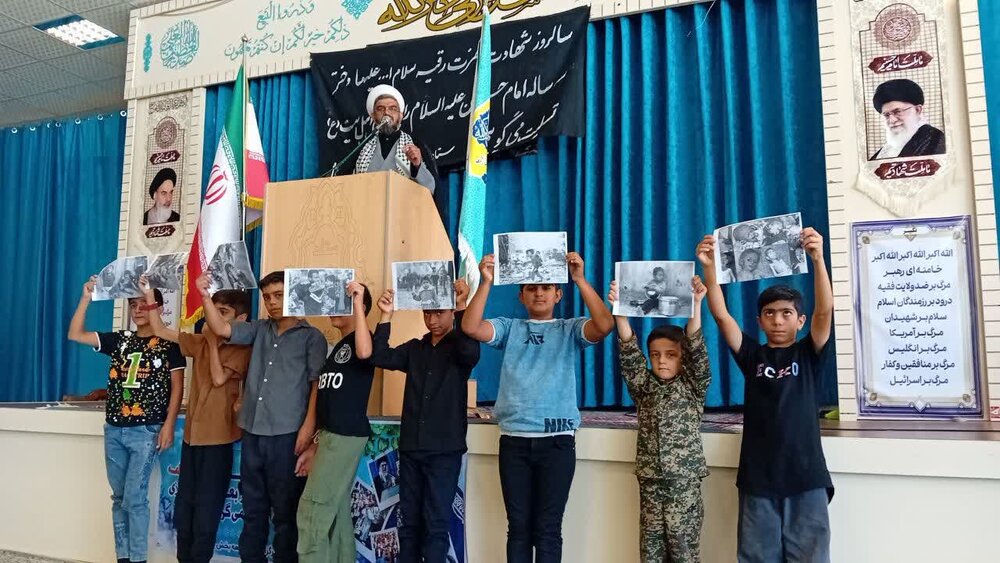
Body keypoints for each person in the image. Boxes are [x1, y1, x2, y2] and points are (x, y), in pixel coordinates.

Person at [462, 252, 614, 563]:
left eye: (546, 287)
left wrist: (580, 279)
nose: (539, 293)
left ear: (558, 294)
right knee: (518, 529)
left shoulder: (569, 329)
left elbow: (604, 325)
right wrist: (486, 281)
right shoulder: (509, 328)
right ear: (521, 296)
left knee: (548, 530)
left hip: (557, 443)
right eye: (531, 288)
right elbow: (471, 327)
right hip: (514, 442)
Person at [696, 227, 834, 563]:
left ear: (800, 320)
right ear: (759, 321)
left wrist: (818, 260)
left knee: (811, 557)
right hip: (758, 478)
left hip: (806, 475)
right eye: (769, 313)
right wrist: (709, 268)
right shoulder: (752, 355)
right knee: (757, 557)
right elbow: (721, 316)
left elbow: (824, 313)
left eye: (787, 313)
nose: (778, 320)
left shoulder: (808, 353)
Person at [202, 270, 328, 563]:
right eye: (267, 297)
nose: (271, 302)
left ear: (295, 294)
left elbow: (317, 386)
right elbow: (221, 329)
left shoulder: (312, 338)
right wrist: (204, 296)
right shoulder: (259, 329)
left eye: (278, 295)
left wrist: (308, 428)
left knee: (286, 513)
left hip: (287, 434)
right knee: (253, 509)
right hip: (253, 431)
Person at [68, 276, 185, 563]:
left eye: (144, 303)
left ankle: (138, 558)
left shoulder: (170, 343)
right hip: (114, 428)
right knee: (119, 498)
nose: (138, 309)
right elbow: (76, 334)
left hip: (145, 429)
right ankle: (123, 556)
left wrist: (169, 424)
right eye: (133, 305)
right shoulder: (120, 339)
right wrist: (86, 298)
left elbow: (178, 388)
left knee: (135, 497)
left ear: (157, 307)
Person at [140, 275, 252, 563]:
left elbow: (218, 378)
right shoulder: (199, 341)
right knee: (185, 507)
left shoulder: (242, 348)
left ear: (241, 319)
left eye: (222, 312)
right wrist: (149, 295)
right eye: (212, 310)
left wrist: (212, 343)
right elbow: (160, 330)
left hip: (218, 440)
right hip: (192, 438)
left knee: (206, 510)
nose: (214, 317)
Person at [372, 280, 480, 562]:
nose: (432, 320)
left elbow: (470, 352)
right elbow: (379, 356)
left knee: (436, 525)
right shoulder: (415, 349)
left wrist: (461, 306)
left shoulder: (460, 347)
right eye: (427, 313)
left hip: (444, 451)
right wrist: (386, 315)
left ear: (451, 313)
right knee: (409, 524)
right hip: (411, 448)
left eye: (439, 313)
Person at [609, 276, 711, 563]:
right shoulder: (644, 387)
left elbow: (696, 349)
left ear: (682, 358)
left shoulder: (693, 384)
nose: (662, 360)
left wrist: (696, 305)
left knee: (683, 549)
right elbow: (630, 353)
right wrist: (620, 312)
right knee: (651, 550)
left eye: (671, 355)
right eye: (655, 355)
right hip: (651, 480)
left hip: (683, 481)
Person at [295, 281, 374, 563]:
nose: (333, 308)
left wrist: (358, 300)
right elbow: (330, 403)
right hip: (331, 436)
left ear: (360, 306)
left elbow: (365, 352)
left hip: (345, 435)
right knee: (337, 514)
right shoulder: (338, 347)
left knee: (312, 512)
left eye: (344, 302)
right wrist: (316, 444)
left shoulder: (363, 341)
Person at [346, 84, 437, 193]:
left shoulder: (415, 144)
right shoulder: (362, 148)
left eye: (392, 108)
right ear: (373, 116)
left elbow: (430, 189)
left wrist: (417, 166)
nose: (386, 113)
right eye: (380, 109)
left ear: (401, 116)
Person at [869, 78, 945, 160]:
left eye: (897, 111)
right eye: (886, 115)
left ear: (917, 110)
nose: (892, 120)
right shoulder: (885, 150)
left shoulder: (935, 140)